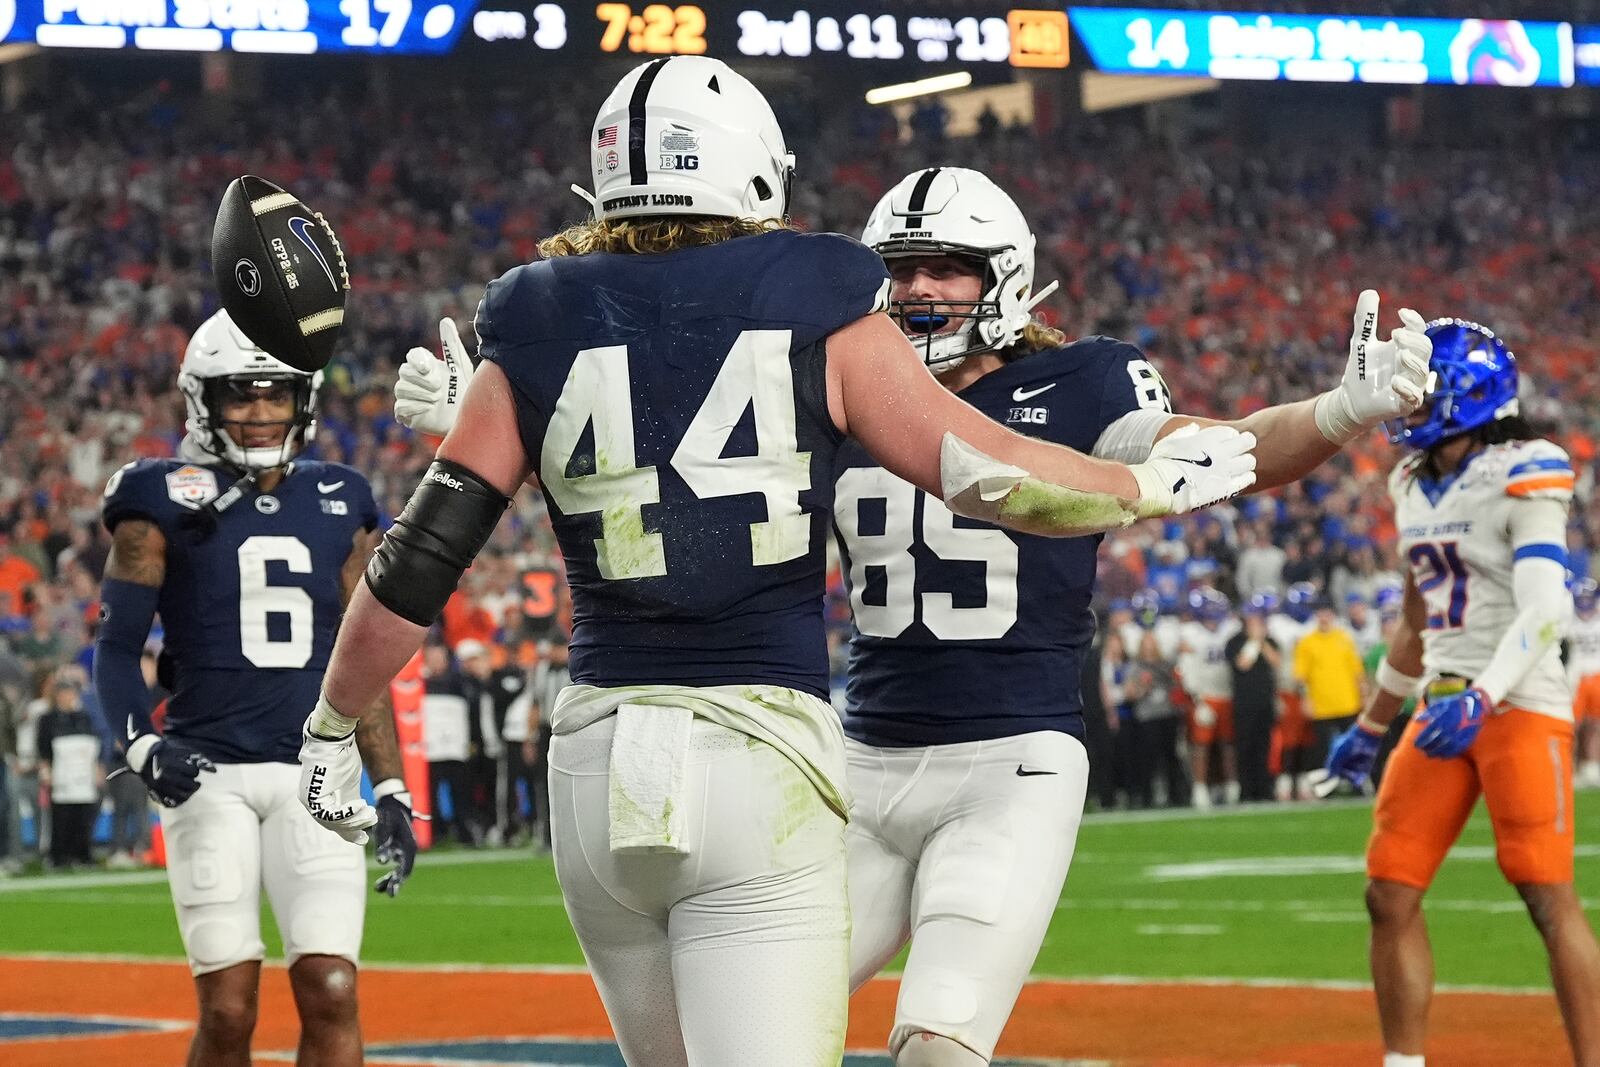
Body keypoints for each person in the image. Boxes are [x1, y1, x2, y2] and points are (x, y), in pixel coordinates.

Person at [316, 56, 1260, 1067]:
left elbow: (417, 562)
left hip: (594, 762)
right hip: (755, 754)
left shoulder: (534, 320)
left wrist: (332, 721)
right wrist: (1146, 485)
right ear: (754, 171)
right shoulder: (819, 300)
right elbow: (990, 476)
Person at [92, 311, 418, 1067]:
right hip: (208, 771)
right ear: (204, 399)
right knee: (230, 1008)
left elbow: (358, 656)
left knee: (332, 985)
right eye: (242, 394)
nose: (262, 411)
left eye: (276, 394)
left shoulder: (342, 493)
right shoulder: (159, 495)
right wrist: (142, 746)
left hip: (319, 775)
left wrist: (393, 786)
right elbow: (115, 646)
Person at [1316, 318, 1600, 1067]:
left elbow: (1548, 607)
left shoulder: (1528, 466)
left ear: (1467, 394)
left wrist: (1483, 694)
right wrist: (1374, 724)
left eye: (1421, 387)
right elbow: (1416, 618)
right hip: (1440, 704)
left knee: (1546, 895)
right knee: (1388, 891)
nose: (1406, 401)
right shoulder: (1410, 480)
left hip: (1518, 702)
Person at [35, 671, 102, 868]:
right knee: (61, 816)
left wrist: (96, 768)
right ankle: (59, 856)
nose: (68, 696)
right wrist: (46, 770)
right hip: (62, 774)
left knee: (83, 816)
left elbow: (93, 745)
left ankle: (82, 855)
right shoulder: (47, 719)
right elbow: (43, 746)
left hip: (82, 774)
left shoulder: (83, 717)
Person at [1295, 598, 1366, 768]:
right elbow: (1300, 676)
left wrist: (1363, 694)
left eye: (1327, 613)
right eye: (1320, 613)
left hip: (1347, 701)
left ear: (1333, 615)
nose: (1324, 617)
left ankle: (1353, 782)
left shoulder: (1344, 638)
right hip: (1321, 705)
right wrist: (1306, 699)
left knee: (1352, 745)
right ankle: (1326, 785)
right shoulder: (1307, 642)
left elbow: (1357, 670)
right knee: (1321, 749)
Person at [1227, 595, 1281, 802]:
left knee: (1264, 747)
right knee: (1245, 746)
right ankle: (1246, 790)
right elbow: (1243, 664)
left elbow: (1276, 662)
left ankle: (1265, 788)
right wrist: (1254, 641)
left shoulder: (1270, 641)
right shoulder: (1235, 642)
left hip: (1265, 702)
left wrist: (1261, 642)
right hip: (1244, 703)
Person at [1565, 578, 1600, 787]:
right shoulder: (1568, 619)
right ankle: (1572, 767)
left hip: (1597, 675)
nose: (1585, 602)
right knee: (1573, 726)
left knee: (1595, 725)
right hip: (1575, 677)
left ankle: (1592, 765)